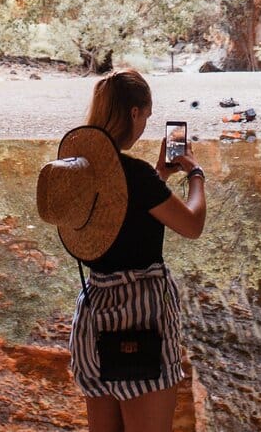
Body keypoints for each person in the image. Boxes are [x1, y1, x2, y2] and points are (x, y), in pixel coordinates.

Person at [36, 69, 207, 432]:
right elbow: (192, 224)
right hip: (141, 319)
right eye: (145, 115)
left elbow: (119, 216)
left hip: (95, 319)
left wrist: (159, 176)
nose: (145, 123)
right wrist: (195, 173)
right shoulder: (137, 176)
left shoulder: (81, 174)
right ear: (133, 112)